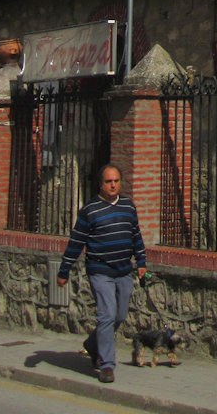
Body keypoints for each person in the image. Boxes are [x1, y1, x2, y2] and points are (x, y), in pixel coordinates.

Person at [57, 164, 147, 384]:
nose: (113, 185)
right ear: (101, 184)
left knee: (120, 316)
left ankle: (92, 344)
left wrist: (141, 261)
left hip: (124, 270)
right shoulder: (90, 210)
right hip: (100, 271)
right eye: (109, 181)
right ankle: (107, 365)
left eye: (116, 181)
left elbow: (135, 235)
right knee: (107, 314)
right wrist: (64, 270)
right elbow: (76, 241)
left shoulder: (128, 206)